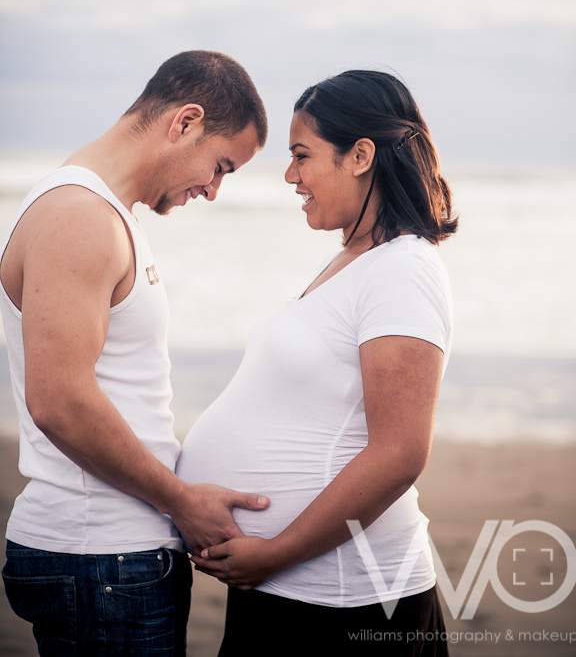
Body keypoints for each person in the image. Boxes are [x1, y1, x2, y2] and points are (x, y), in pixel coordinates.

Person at [176, 69, 458, 655]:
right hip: (292, 590)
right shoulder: (356, 261)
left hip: (344, 602)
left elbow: (400, 452)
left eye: (302, 156)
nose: (290, 176)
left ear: (359, 156)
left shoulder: (403, 268)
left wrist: (275, 553)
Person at [0, 50, 272, 656]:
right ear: (185, 122)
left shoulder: (105, 212)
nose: (214, 189)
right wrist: (183, 503)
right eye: (221, 165)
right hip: (101, 562)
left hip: (111, 561)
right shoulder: (80, 217)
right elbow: (59, 402)